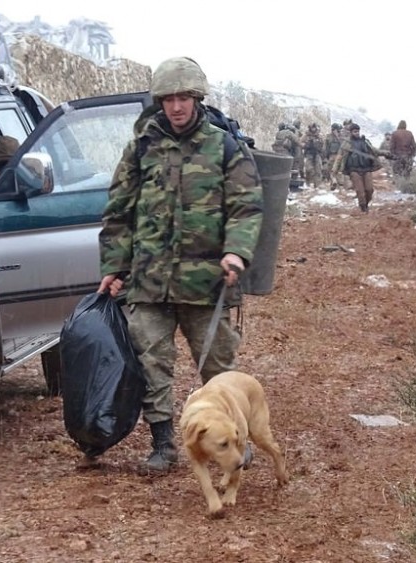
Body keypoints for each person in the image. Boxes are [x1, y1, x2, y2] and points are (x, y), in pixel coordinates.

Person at [97, 56, 263, 474]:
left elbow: (246, 207)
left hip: (208, 281)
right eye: (168, 98)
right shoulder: (141, 148)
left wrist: (236, 252)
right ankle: (164, 444)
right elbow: (118, 211)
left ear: (197, 98)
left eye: (184, 97)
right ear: (159, 102)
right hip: (150, 280)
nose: (176, 106)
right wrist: (114, 267)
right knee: (153, 363)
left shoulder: (224, 146)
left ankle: (233, 438)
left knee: (218, 368)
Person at [332, 122, 383, 212]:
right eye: (355, 132)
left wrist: (386, 153)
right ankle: (363, 206)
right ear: (351, 132)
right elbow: (339, 157)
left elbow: (374, 150)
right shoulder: (346, 144)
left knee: (369, 190)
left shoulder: (365, 142)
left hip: (366, 169)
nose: (357, 133)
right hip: (354, 170)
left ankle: (366, 204)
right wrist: (334, 170)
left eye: (358, 131)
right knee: (360, 191)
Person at [301, 123, 324, 189]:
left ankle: (317, 184)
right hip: (309, 154)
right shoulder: (306, 135)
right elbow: (300, 143)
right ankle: (308, 182)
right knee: (308, 169)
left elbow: (323, 144)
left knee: (318, 169)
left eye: (314, 127)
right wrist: (306, 145)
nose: (313, 129)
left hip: (317, 154)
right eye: (312, 128)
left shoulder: (319, 135)